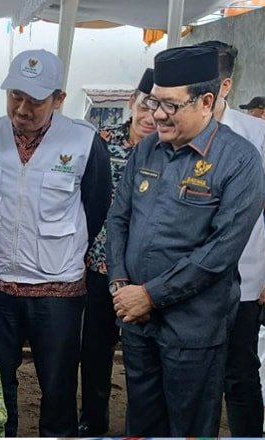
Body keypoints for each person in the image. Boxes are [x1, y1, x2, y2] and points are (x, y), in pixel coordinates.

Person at [106, 45, 265, 437]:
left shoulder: (240, 160)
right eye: (154, 101)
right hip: (139, 323)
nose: (157, 114)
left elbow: (220, 253)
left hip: (193, 329)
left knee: (189, 429)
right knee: (141, 424)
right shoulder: (147, 149)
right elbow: (118, 219)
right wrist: (121, 286)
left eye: (171, 105)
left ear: (207, 101)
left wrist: (150, 295)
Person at [0, 49, 112, 437]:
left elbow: (95, 207)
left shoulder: (84, 142)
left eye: (35, 101)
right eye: (15, 96)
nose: (22, 109)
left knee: (58, 388)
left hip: (58, 293)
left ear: (59, 98)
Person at [78, 67, 156, 436]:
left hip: (146, 278)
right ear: (132, 103)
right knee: (94, 354)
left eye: (160, 108)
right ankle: (93, 425)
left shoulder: (169, 152)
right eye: (145, 105)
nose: (151, 116)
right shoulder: (100, 143)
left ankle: (139, 429)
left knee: (143, 360)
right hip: (99, 268)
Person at [196, 40, 265, 437]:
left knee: (240, 374)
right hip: (185, 282)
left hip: (245, 277)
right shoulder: (176, 132)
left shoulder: (255, 135)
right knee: (193, 376)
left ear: (225, 86)